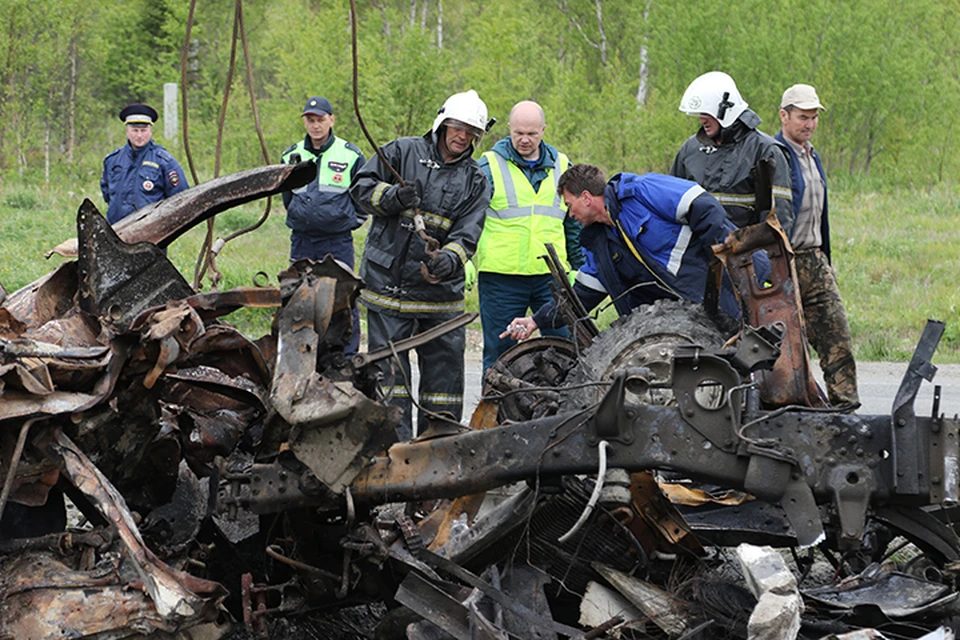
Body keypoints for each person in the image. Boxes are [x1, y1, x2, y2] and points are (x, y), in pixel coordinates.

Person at [349, 90, 493, 440]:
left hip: (439, 294)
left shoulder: (476, 179)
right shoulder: (401, 151)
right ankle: (393, 457)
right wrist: (392, 197)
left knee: (443, 382)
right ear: (442, 123)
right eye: (457, 127)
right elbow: (360, 189)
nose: (462, 136)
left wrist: (450, 259)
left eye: (470, 131)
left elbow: (469, 232)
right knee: (390, 380)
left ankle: (438, 452)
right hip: (389, 285)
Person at [501, 164, 745, 342]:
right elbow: (581, 297)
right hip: (684, 325)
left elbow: (704, 207)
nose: (570, 214)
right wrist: (536, 321)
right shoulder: (598, 246)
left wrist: (721, 270)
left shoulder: (643, 190)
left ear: (586, 198)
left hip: (736, 290)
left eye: (569, 205)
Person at [474, 100, 584, 371]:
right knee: (500, 354)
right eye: (518, 133)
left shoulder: (563, 166)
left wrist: (579, 269)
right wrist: (463, 257)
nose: (524, 140)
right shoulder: (488, 166)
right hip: (501, 280)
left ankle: (563, 409)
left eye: (532, 134)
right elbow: (469, 218)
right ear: (509, 129)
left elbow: (573, 223)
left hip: (550, 277)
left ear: (543, 130)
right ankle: (496, 412)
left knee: (565, 348)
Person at [776, 84, 858, 407]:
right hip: (787, 261)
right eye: (802, 117)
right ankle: (791, 411)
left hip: (815, 260)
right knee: (788, 347)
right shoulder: (775, 156)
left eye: (813, 118)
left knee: (837, 335)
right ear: (784, 116)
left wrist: (827, 259)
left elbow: (820, 216)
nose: (809, 124)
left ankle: (846, 407)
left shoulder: (813, 156)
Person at [281, 96, 367, 354]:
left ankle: (346, 354)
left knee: (343, 297)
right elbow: (287, 198)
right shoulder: (291, 155)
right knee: (298, 296)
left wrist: (349, 220)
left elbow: (362, 196)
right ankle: (301, 352)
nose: (315, 125)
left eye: (320, 120)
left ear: (331, 120)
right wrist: (301, 215)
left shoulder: (350, 154)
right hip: (303, 239)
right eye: (310, 120)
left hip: (337, 241)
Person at [670, 71, 794, 234]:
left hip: (746, 257)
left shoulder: (765, 150)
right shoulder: (690, 149)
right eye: (700, 114)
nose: (702, 120)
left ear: (727, 111)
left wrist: (761, 258)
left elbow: (778, 221)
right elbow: (672, 203)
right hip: (697, 256)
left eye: (707, 113)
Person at [100, 104, 189, 225]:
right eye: (135, 130)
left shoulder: (164, 161)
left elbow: (180, 197)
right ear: (127, 130)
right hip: (116, 229)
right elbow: (107, 194)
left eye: (143, 130)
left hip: (151, 230)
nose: (139, 136)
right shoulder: (112, 160)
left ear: (150, 130)